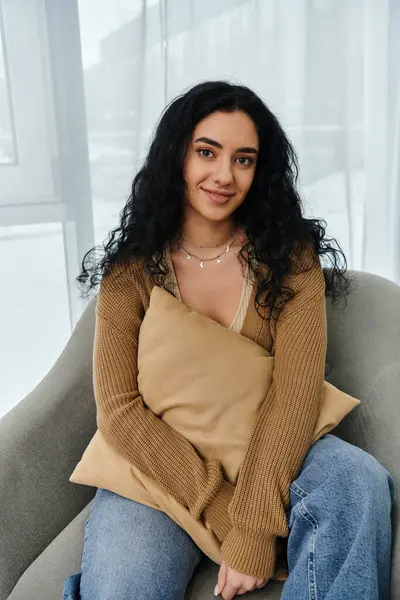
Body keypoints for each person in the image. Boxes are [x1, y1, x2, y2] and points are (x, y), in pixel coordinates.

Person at [62, 81, 395, 600]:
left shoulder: (290, 259)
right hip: (154, 468)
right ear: (177, 157)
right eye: (206, 152)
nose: (224, 175)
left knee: (357, 479)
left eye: (244, 159)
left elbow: (295, 393)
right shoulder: (131, 271)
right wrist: (227, 514)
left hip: (270, 447)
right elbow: (120, 413)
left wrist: (257, 524)